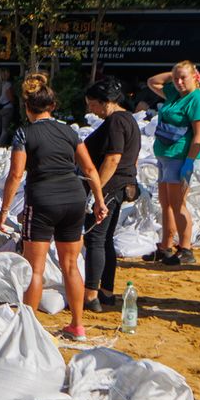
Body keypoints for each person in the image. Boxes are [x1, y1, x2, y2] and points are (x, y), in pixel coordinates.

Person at [0, 80, 108, 340]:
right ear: (53, 106)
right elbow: (90, 170)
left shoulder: (24, 134)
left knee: (35, 268)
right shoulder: (69, 132)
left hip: (43, 201)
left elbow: (15, 174)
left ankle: (28, 329)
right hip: (74, 199)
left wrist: (4, 210)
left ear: (27, 107)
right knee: (71, 265)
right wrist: (99, 202)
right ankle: (78, 326)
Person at [81, 78, 142, 311]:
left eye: (92, 104)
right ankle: (106, 291)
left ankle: (91, 295)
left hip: (109, 188)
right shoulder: (129, 120)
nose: (90, 110)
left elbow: (113, 158)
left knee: (95, 239)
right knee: (105, 240)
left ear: (105, 102)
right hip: (121, 187)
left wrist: (97, 192)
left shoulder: (116, 121)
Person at [144, 61, 200, 266]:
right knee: (165, 204)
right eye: (176, 79)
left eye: (184, 77)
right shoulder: (174, 94)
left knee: (178, 204)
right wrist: (174, 74)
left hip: (180, 157)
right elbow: (152, 82)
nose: (179, 82)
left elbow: (199, 135)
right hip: (165, 154)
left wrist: (189, 161)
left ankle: (186, 248)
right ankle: (165, 246)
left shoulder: (198, 100)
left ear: (195, 77)